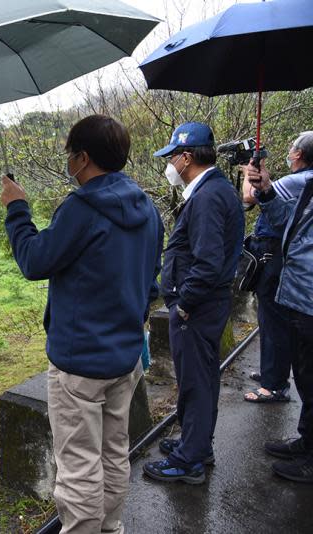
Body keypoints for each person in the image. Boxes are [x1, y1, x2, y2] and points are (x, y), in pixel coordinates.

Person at [1, 114, 163, 534]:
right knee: (114, 453)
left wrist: (17, 208)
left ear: (84, 157)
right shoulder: (147, 207)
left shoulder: (82, 208)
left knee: (78, 468)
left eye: (71, 154)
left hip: (79, 366)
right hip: (125, 359)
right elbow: (151, 279)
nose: (69, 162)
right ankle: (111, 528)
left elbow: (35, 260)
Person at [143, 122, 245, 485]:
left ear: (186, 157)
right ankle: (196, 443)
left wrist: (184, 303)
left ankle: (190, 461)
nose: (169, 164)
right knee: (198, 377)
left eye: (172, 156)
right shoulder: (213, 190)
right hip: (204, 305)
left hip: (197, 309)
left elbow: (207, 261)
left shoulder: (207, 197)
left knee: (197, 381)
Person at [247, 131, 313, 483]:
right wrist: (268, 189)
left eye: (291, 150)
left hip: (308, 292)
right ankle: (307, 441)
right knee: (304, 370)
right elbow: (285, 219)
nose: (288, 155)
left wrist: (262, 190)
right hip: (301, 293)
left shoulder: (305, 181)